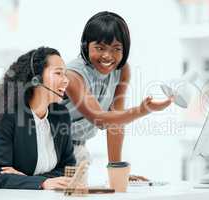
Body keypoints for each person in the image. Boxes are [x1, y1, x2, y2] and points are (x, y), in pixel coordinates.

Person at [62, 11, 173, 176]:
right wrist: (142, 110)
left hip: (78, 148)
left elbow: (116, 121)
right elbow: (99, 118)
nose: (107, 56)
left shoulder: (122, 70)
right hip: (52, 148)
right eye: (99, 48)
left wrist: (118, 171)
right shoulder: (73, 74)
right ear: (86, 46)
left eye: (116, 49)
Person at [0, 47, 76, 189]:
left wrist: (31, 181)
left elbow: (68, 169)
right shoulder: (10, 116)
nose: (66, 80)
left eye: (65, 74)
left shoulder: (61, 115)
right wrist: (42, 183)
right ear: (36, 79)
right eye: (58, 73)